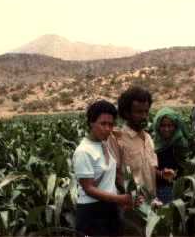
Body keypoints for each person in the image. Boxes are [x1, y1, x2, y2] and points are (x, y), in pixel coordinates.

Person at [73, 100, 133, 237]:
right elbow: (89, 189)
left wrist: (126, 198)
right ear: (91, 123)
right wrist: (120, 199)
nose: (107, 128)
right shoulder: (83, 151)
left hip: (110, 209)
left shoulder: (104, 144)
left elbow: (109, 179)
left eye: (110, 124)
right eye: (103, 123)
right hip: (92, 213)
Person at [107, 86, 175, 198]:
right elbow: (114, 176)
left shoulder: (148, 138)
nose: (144, 116)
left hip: (151, 203)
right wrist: (132, 197)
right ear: (126, 113)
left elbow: (150, 170)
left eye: (146, 111)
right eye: (138, 112)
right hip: (131, 207)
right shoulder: (117, 139)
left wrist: (162, 174)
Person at [152, 107, 190, 204]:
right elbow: (149, 168)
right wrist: (161, 174)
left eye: (170, 125)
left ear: (176, 126)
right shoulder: (152, 143)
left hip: (182, 189)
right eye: (163, 125)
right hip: (161, 189)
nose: (167, 129)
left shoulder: (181, 142)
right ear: (157, 126)